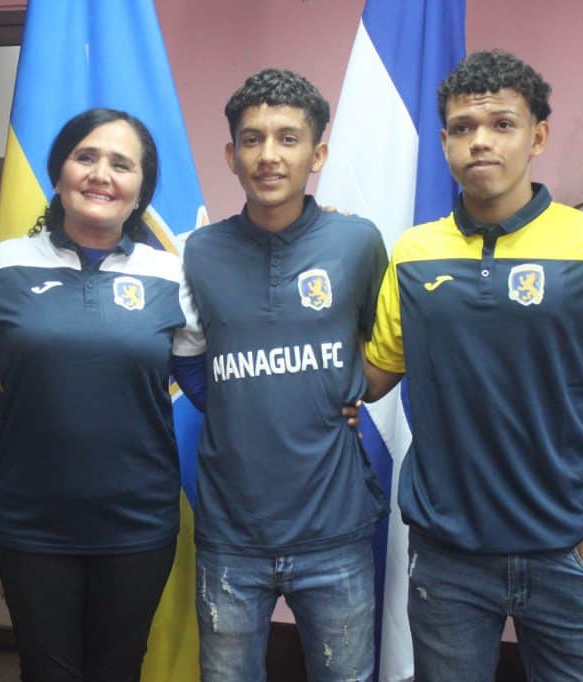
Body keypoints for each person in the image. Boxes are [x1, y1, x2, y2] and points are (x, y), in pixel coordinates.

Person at [363, 50, 583, 681]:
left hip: (571, 551)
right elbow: (371, 381)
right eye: (462, 127)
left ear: (538, 137)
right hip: (447, 556)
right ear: (445, 142)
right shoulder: (414, 254)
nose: (480, 141)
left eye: (502, 124)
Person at [0, 107, 205, 681]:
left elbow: (205, 385)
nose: (101, 174)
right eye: (85, 157)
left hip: (138, 520)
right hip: (31, 519)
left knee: (119, 669)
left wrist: (303, 405)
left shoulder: (171, 274)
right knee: (47, 672)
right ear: (59, 172)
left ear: (141, 189)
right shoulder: (6, 264)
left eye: (121, 164)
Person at [182, 68, 388, 681]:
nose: (268, 155)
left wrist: (355, 390)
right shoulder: (197, 251)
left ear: (317, 154)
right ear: (231, 155)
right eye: (252, 139)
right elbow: (187, 356)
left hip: (335, 530)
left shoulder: (358, 242)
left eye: (288, 138)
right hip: (230, 534)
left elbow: (391, 341)